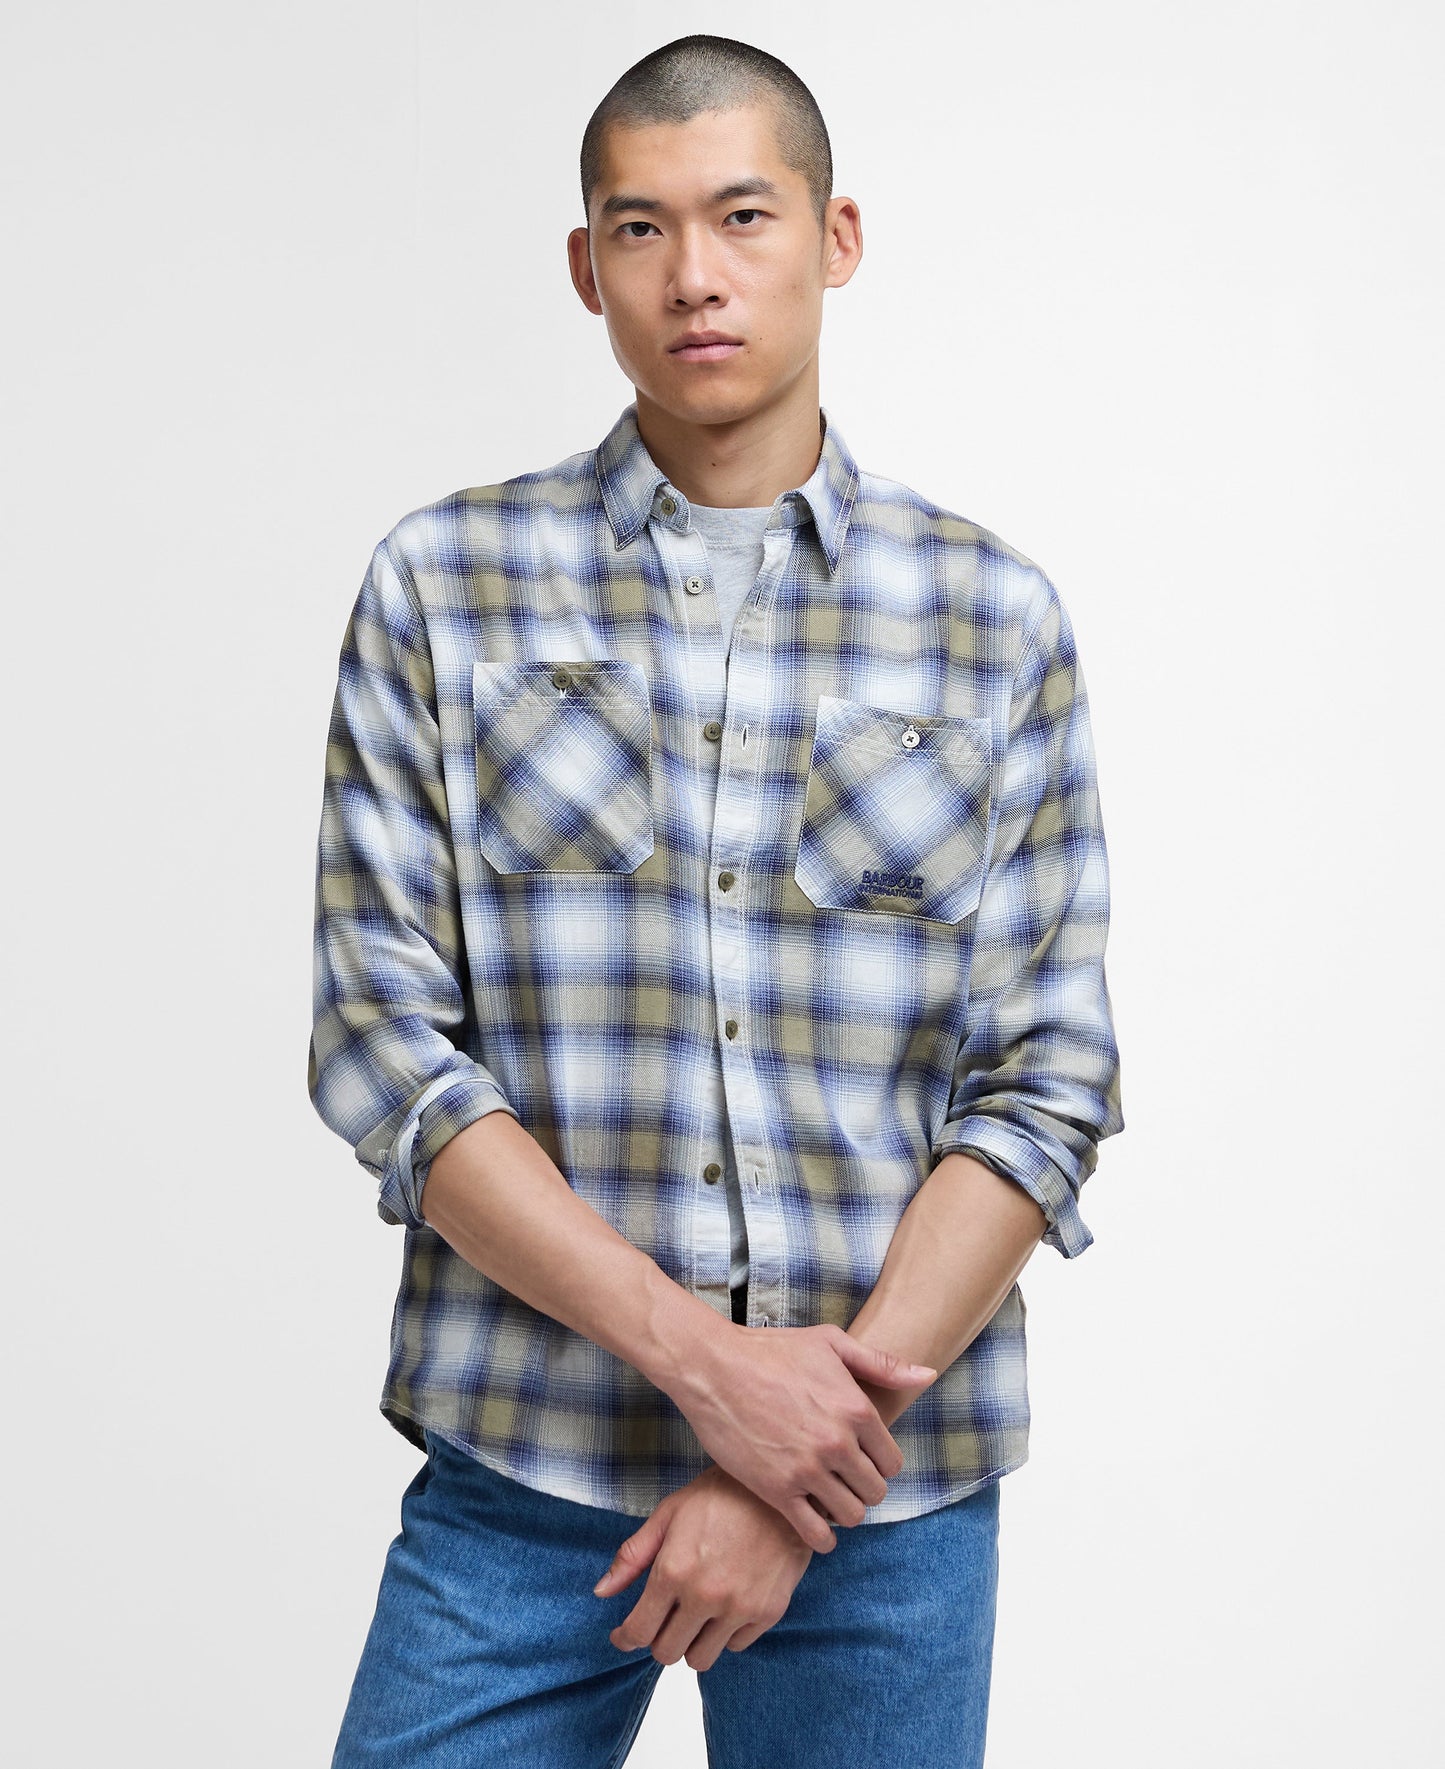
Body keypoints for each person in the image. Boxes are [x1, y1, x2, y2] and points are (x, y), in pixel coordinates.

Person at [308, 31, 1124, 1768]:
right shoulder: (442, 588)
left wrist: (794, 1464)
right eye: (641, 227)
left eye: (742, 216)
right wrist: (707, 1367)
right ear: (584, 265)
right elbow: (384, 1047)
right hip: (527, 1460)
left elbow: (1042, 1083)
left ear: (835, 236)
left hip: (882, 1502)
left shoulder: (992, 619)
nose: (693, 275)